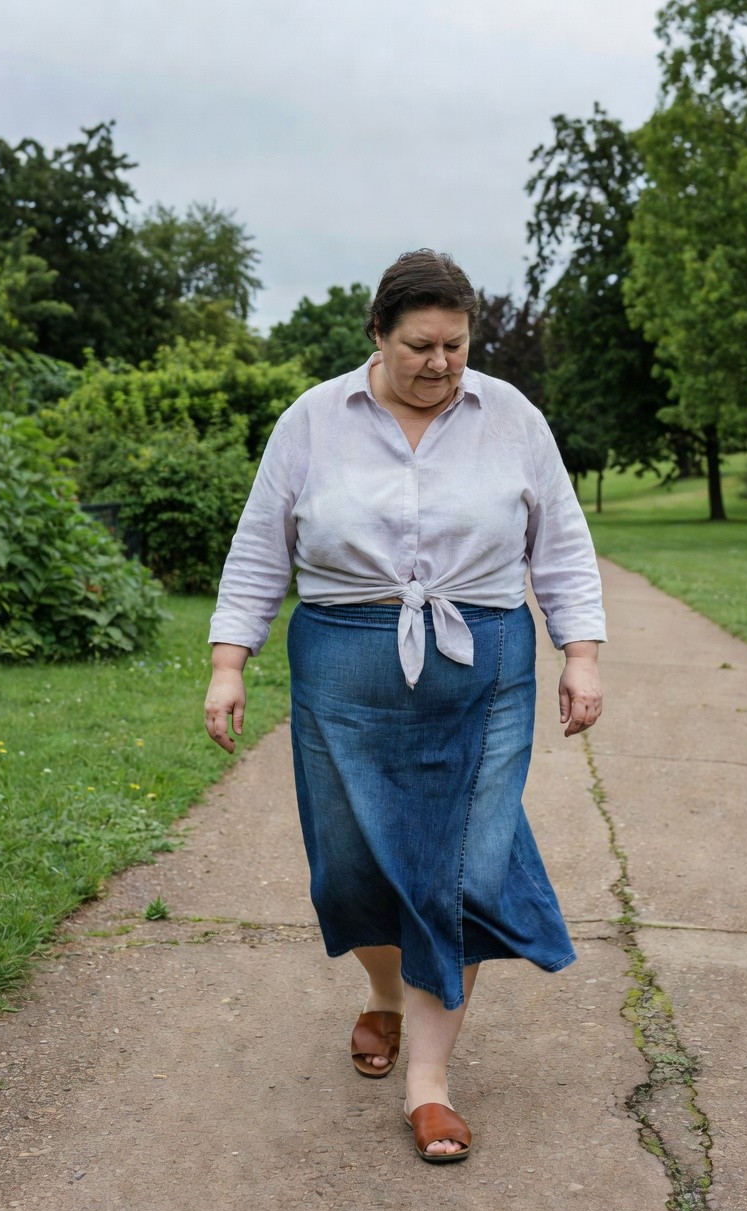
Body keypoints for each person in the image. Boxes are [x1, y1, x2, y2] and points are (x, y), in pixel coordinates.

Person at [205, 249, 605, 1163]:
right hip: (344, 668)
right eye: (420, 345)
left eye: (456, 346)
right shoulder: (313, 420)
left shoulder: (510, 417)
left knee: (462, 870)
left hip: (484, 666)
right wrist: (230, 663)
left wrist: (580, 653)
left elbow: (563, 544)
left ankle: (431, 1085)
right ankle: (385, 994)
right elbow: (261, 550)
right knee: (351, 873)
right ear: (376, 337)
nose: (440, 363)